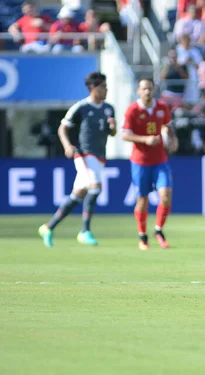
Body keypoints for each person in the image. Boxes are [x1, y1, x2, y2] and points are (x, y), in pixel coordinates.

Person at [38, 72, 116, 247]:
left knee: (78, 195)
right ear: (93, 88)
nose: (106, 89)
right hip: (84, 154)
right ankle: (85, 231)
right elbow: (62, 128)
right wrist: (67, 146)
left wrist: (113, 128)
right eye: (103, 86)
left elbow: (112, 134)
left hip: (99, 156)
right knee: (95, 187)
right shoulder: (81, 107)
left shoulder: (109, 108)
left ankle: (48, 227)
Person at [121, 78, 179, 250]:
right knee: (142, 200)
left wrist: (173, 139)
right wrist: (145, 139)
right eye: (144, 89)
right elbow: (124, 135)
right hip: (140, 162)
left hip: (160, 160)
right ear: (138, 91)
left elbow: (168, 126)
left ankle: (158, 230)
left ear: (153, 90)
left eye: (150, 88)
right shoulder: (132, 110)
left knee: (166, 197)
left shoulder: (161, 107)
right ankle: (142, 235)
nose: (147, 91)